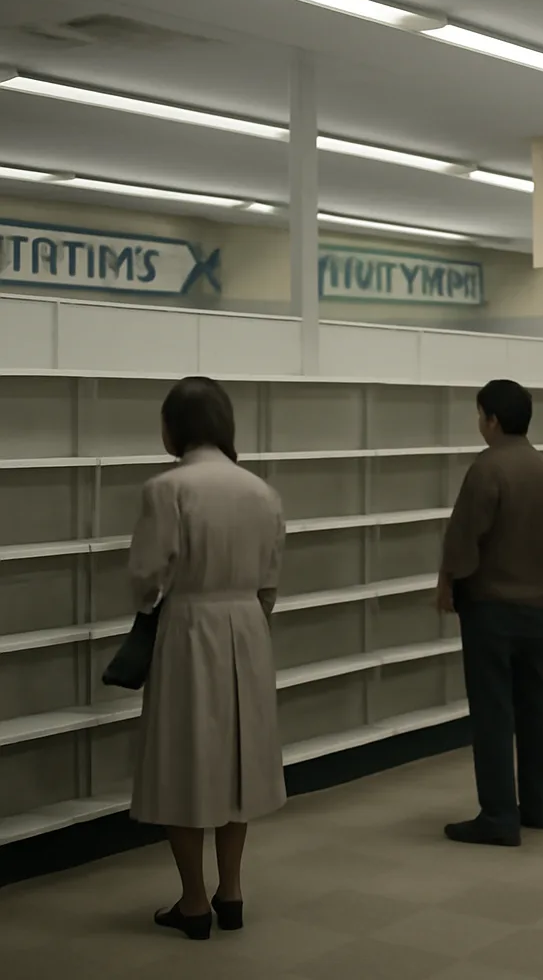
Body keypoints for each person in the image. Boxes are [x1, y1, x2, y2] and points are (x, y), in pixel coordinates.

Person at [128, 376, 287, 940]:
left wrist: (151, 602)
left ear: (174, 427)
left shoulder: (166, 488)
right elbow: (271, 580)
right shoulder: (260, 491)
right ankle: (232, 889)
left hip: (190, 626)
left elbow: (147, 577)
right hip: (247, 626)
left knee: (183, 757)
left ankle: (193, 901)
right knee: (238, 758)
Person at [436, 379, 543, 847]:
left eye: (480, 415)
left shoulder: (488, 469)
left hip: (491, 607)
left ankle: (498, 815)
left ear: (492, 419)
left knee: (494, 710)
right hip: (540, 608)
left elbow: (463, 541)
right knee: (534, 704)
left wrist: (450, 584)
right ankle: (535, 806)